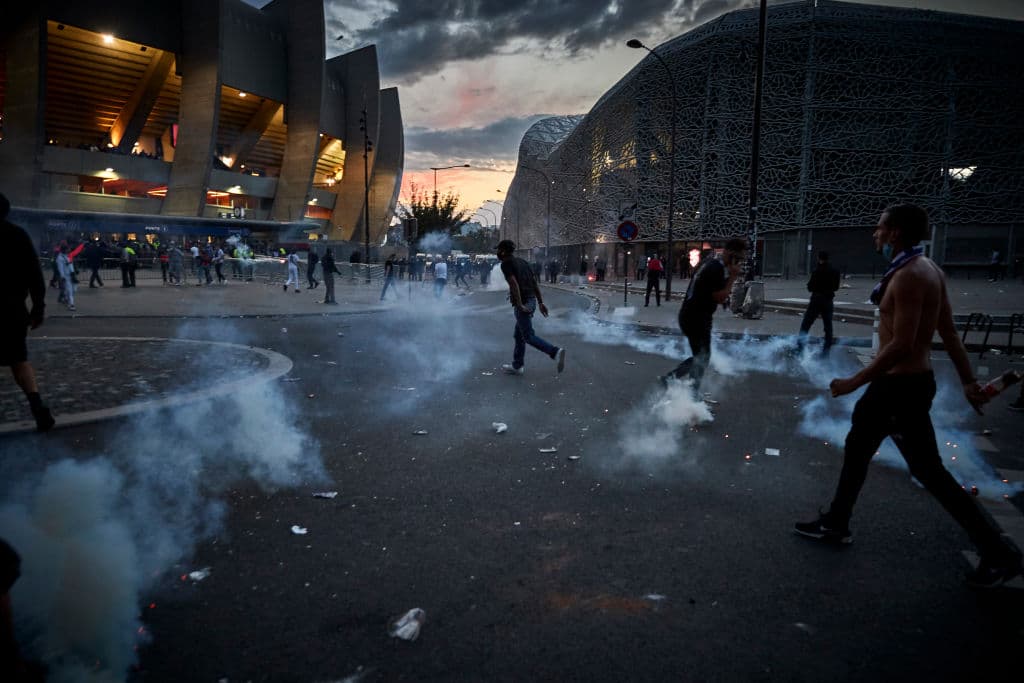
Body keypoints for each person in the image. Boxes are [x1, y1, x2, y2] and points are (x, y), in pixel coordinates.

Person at [794, 204, 1023, 589]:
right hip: (907, 385)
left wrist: (853, 381)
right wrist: (968, 382)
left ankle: (998, 552)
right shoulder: (928, 269)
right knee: (862, 448)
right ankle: (836, 521)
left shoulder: (911, 277)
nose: (875, 233)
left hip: (898, 387)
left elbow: (901, 344)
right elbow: (948, 333)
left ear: (896, 232)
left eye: (880, 227)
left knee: (926, 469)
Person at [661, 238, 747, 392]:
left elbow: (709, 291)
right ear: (729, 252)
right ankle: (682, 386)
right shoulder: (716, 269)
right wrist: (733, 278)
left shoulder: (710, 263)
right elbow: (719, 296)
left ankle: (680, 384)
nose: (738, 262)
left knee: (701, 357)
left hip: (690, 315)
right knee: (702, 358)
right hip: (697, 317)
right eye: (738, 258)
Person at [0, 193, 55, 431]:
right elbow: (35, 276)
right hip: (11, 311)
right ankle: (38, 408)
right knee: (19, 361)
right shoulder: (17, 235)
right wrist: (38, 308)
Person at [496, 239, 566, 375]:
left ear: (503, 251)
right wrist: (540, 302)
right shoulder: (523, 262)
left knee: (528, 336)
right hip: (532, 300)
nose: (497, 253)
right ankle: (517, 365)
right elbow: (534, 283)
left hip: (523, 303)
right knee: (519, 335)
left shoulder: (506, 264)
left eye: (499, 250)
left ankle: (554, 352)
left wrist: (519, 304)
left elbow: (514, 284)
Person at [797, 251, 841, 354]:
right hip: (828, 300)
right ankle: (826, 350)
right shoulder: (835, 271)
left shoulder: (817, 271)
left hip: (816, 299)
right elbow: (836, 287)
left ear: (819, 258)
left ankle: (800, 347)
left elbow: (810, 286)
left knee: (806, 323)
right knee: (828, 326)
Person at [56, 243, 76, 311]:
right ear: (64, 249)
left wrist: (73, 271)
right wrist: (62, 277)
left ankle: (66, 298)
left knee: (74, 290)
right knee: (70, 291)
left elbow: (70, 265)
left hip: (71, 275)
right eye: (67, 249)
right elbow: (60, 268)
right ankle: (71, 304)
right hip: (66, 276)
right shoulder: (60, 258)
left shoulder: (67, 256)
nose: (69, 250)